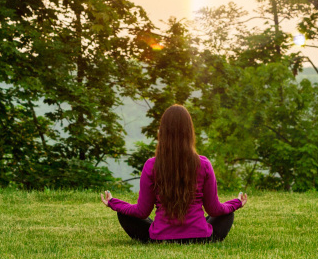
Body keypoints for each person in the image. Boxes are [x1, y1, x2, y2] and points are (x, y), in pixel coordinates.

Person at [100, 104, 248, 243]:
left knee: (124, 214)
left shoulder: (151, 165)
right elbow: (214, 209)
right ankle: (193, 231)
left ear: (162, 132)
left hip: (160, 237)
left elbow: (142, 211)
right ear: (189, 132)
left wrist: (114, 203)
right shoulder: (204, 164)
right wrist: (236, 203)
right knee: (227, 213)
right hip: (200, 237)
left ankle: (164, 233)